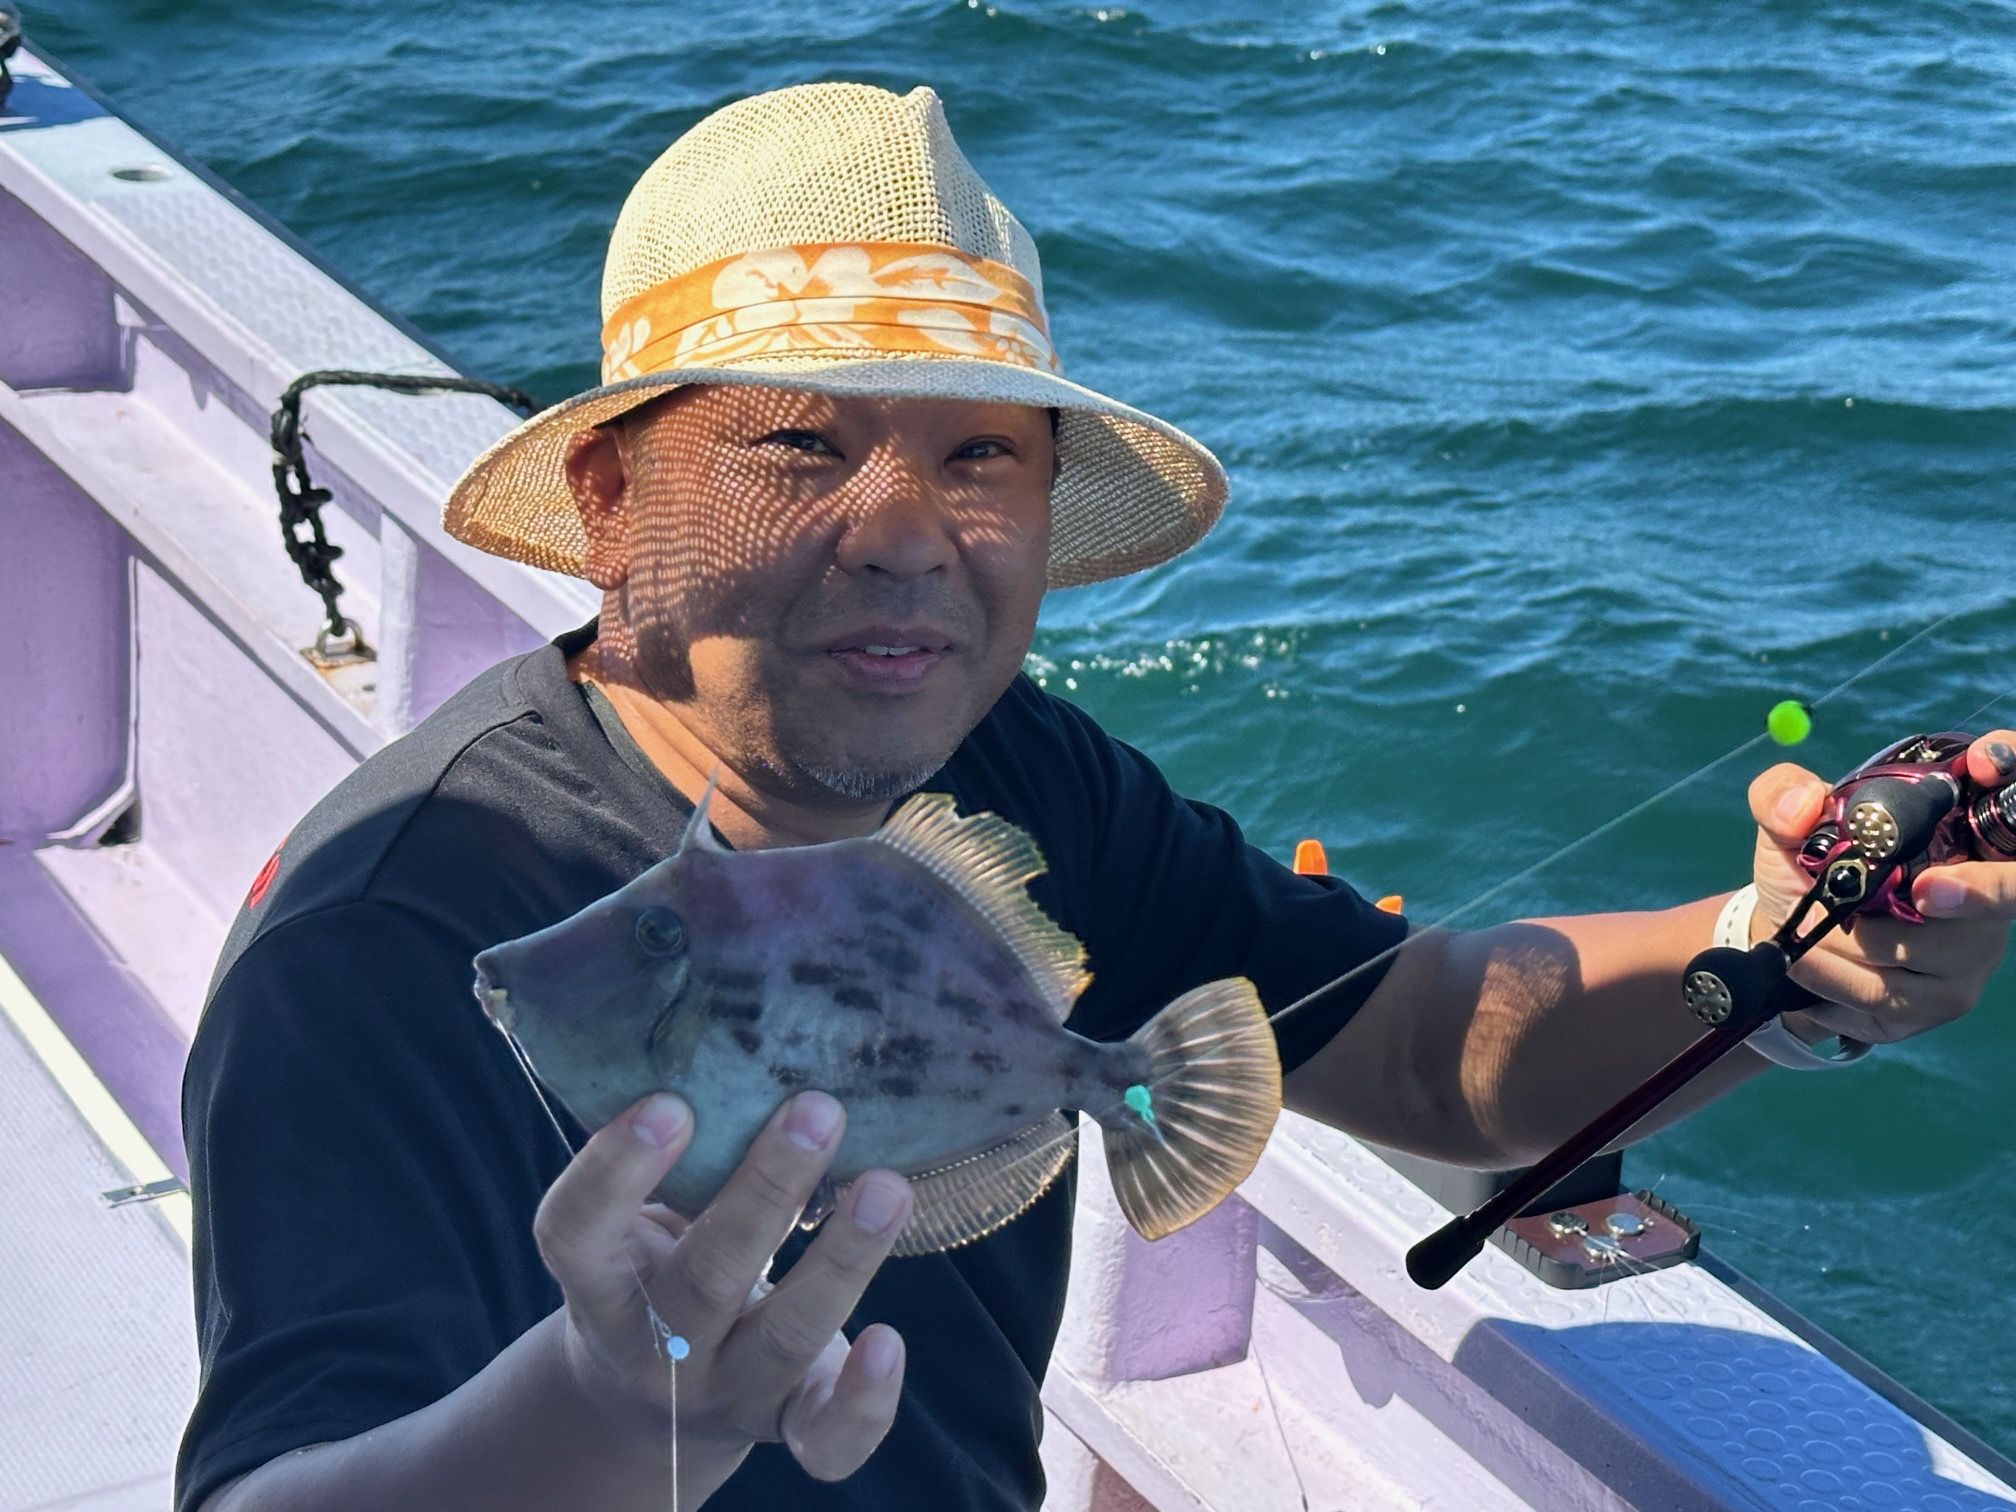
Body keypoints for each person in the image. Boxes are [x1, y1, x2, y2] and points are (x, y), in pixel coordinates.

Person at [176, 82, 2014, 1512]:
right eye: (800, 444)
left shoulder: (1003, 769)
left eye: (980, 453)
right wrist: (599, 1416)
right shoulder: (399, 932)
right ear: (606, 502)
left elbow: (1418, 1043)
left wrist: (1776, 959)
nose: (905, 536)